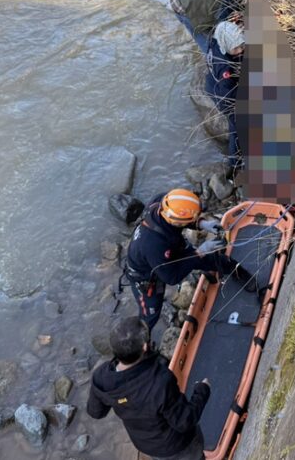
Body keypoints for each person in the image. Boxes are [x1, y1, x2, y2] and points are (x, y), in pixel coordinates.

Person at [124, 189, 253, 330]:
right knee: (149, 316)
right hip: (146, 274)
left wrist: (201, 224)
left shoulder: (164, 201)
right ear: (175, 222)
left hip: (171, 247)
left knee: (215, 259)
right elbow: (172, 277)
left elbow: (184, 219)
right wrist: (199, 252)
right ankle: (140, 345)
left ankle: (241, 275)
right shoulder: (152, 244)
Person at [86, 317, 210, 460]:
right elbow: (184, 421)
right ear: (145, 347)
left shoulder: (101, 377)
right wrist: (203, 390)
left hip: (145, 444)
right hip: (178, 446)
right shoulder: (160, 380)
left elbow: (95, 412)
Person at [205, 20, 245, 175]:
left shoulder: (218, 41)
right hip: (222, 95)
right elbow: (229, 96)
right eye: (237, 48)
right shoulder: (225, 68)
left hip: (219, 84)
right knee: (236, 126)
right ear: (226, 46)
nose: (241, 50)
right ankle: (235, 164)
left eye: (242, 45)